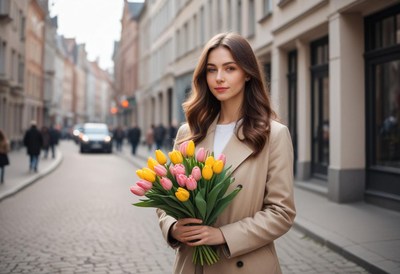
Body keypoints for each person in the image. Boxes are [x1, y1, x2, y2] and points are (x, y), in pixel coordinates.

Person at [156, 33, 296, 273]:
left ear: (248, 73)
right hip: (192, 264)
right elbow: (168, 197)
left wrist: (223, 235)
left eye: (230, 68)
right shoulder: (189, 133)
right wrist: (172, 227)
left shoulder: (273, 135)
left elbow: (281, 213)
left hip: (243, 264)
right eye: (211, 70)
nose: (219, 78)